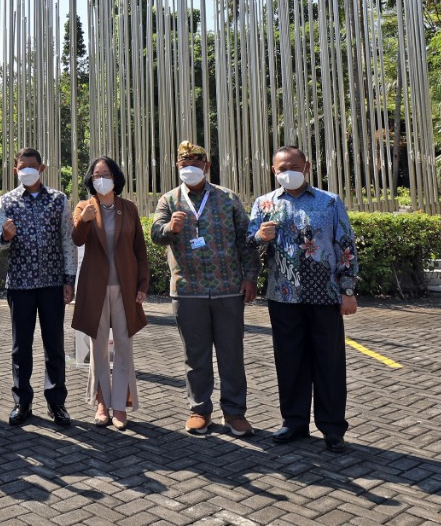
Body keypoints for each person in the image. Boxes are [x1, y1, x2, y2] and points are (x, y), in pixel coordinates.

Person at [249, 145, 358, 453]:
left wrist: (347, 290)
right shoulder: (264, 203)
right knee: (290, 362)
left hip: (325, 295)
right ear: (273, 171)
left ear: (307, 166)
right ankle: (294, 421)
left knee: (329, 363)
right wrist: (260, 237)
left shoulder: (329, 201)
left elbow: (345, 246)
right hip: (283, 296)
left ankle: (333, 427)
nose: (288, 172)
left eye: (293, 166)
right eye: (282, 168)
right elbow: (248, 246)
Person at [151, 141, 260, 437]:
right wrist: (169, 229)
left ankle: (235, 413)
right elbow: (154, 235)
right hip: (188, 290)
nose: (190, 170)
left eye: (195, 165)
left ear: (206, 167)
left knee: (231, 355)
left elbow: (246, 240)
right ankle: (199, 410)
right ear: (177, 167)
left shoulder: (227, 198)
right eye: (184, 166)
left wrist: (251, 277)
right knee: (195, 356)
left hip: (228, 288)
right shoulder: (169, 200)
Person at [0, 147, 76, 427]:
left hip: (52, 283)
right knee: (20, 347)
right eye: (21, 166)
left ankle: (56, 403)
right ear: (15, 170)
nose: (26, 170)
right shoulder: (6, 201)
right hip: (20, 284)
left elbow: (67, 241)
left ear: (41, 168)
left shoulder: (58, 200)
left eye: (31, 166)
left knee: (54, 346)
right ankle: (22, 402)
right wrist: (5, 236)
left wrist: (69, 279)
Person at [71, 156, 149, 431]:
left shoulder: (128, 208)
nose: (100, 179)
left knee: (125, 347)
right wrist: (84, 221)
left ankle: (121, 405)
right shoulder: (84, 206)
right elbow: (77, 239)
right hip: (95, 288)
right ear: (90, 180)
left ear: (116, 178)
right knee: (99, 347)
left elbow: (139, 249)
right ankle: (102, 402)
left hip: (125, 287)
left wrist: (143, 284)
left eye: (105, 174)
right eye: (95, 175)